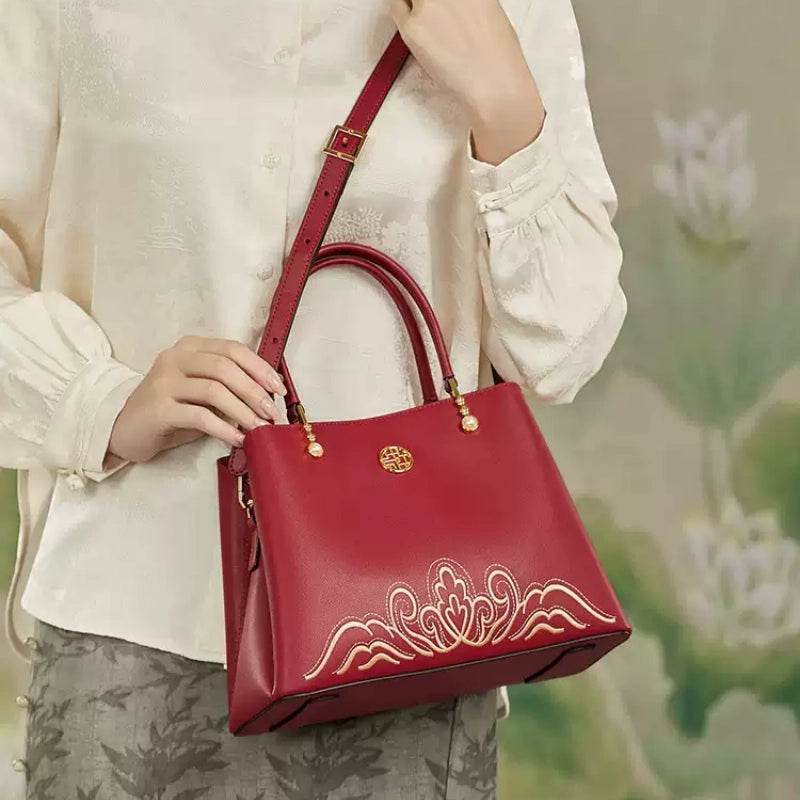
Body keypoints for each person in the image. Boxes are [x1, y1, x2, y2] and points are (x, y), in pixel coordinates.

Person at [1, 0, 626, 797]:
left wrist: (505, 103)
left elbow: (566, 347)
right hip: (133, 613)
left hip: (411, 635)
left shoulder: (505, 9)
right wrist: (98, 401)